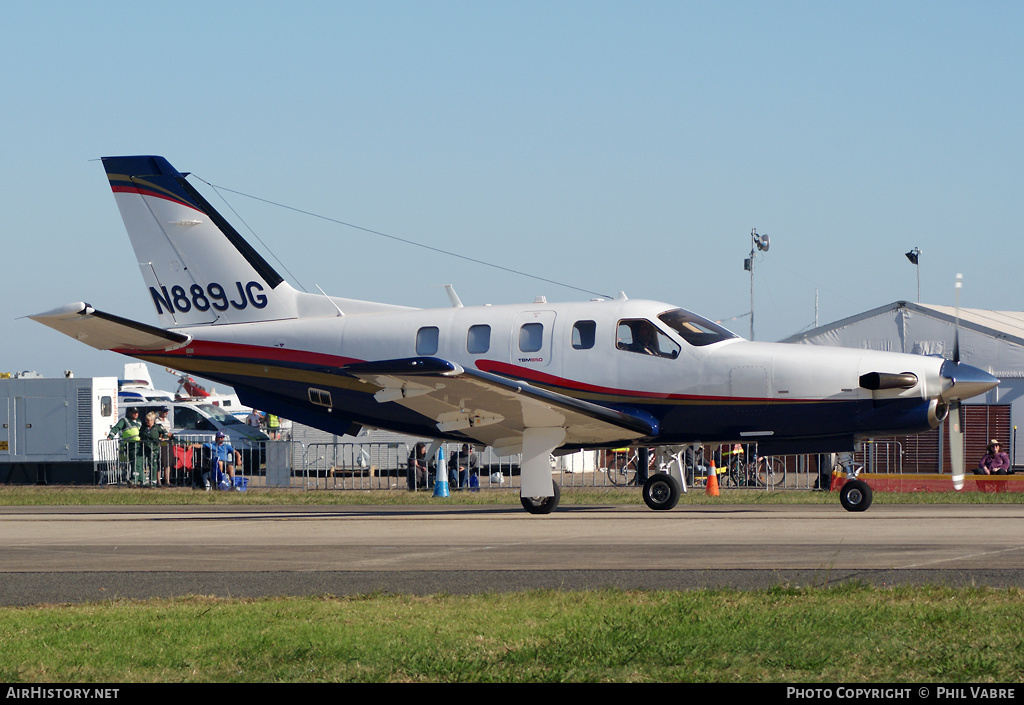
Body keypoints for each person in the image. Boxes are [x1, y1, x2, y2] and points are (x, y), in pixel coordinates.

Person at [108, 407, 142, 485]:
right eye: (134, 412)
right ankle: (134, 480)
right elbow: (116, 428)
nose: (136, 414)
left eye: (137, 412)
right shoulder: (124, 421)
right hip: (131, 445)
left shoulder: (139, 422)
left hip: (140, 444)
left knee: (140, 462)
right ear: (129, 413)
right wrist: (111, 435)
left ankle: (141, 479)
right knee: (134, 462)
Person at [139, 411, 170, 486]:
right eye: (146, 420)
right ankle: (142, 480)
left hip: (154, 448)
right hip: (144, 447)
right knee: (140, 463)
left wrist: (163, 438)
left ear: (153, 420)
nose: (147, 422)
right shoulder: (143, 427)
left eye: (149, 420)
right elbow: (140, 434)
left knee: (153, 464)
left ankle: (153, 481)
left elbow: (165, 432)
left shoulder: (158, 426)